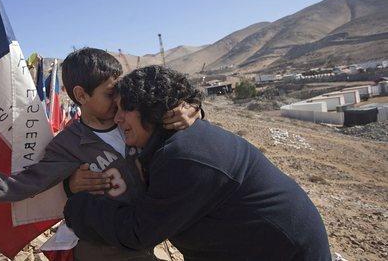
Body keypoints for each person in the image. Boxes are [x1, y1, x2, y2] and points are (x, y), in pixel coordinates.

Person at [0, 49, 200, 261]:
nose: (119, 101)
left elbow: (177, 115)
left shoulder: (134, 117)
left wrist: (194, 111)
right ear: (81, 95)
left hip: (146, 231)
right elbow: (26, 183)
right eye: (109, 94)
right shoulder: (68, 144)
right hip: (106, 246)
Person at [64, 65, 332, 261]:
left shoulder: (182, 157)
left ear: (149, 107)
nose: (118, 119)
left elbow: (139, 231)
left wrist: (77, 207)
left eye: (124, 108)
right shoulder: (179, 138)